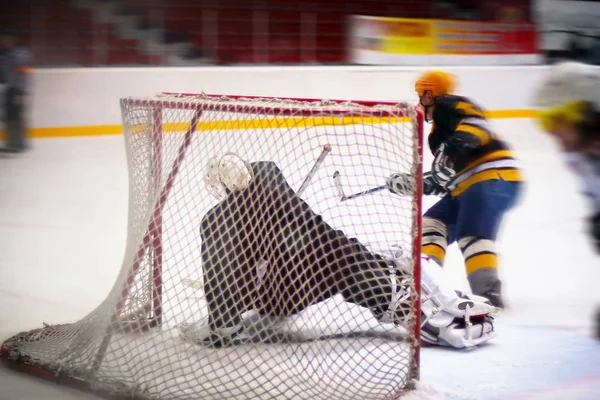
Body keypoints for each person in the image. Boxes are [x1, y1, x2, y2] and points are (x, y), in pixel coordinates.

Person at [191, 153, 496, 349]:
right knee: (353, 259)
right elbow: (264, 170)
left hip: (281, 293)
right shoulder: (269, 177)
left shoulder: (217, 221)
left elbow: (221, 275)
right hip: (316, 268)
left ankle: (420, 302)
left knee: (383, 256)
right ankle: (412, 307)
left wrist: (223, 323)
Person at [386, 70, 524, 309]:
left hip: (492, 177)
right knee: (431, 225)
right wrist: (418, 183)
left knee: (472, 234)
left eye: (422, 94)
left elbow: (477, 125)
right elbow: (446, 176)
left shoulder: (448, 105)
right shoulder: (436, 135)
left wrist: (452, 148)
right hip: (467, 187)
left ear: (432, 93)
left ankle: (488, 295)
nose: (420, 100)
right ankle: (426, 287)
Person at [531, 61, 600, 339]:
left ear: (589, 113)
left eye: (557, 120)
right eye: (545, 122)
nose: (550, 131)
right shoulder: (580, 155)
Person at [0, 29, 32, 153]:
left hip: (17, 90)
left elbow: (23, 74)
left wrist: (20, 92)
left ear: (12, 40)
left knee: (15, 116)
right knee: (9, 115)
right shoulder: (5, 55)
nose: (2, 41)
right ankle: (12, 142)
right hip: (9, 88)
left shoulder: (21, 55)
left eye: (5, 38)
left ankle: (18, 143)